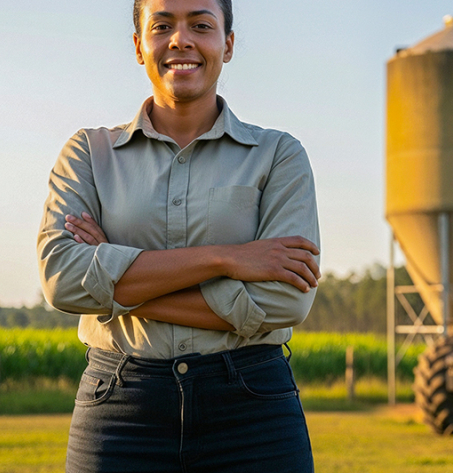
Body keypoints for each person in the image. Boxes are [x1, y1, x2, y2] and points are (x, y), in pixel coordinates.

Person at [36, 0, 320, 471]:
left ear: (227, 45)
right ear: (138, 45)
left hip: (253, 409)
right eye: (162, 25)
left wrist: (113, 281)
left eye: (201, 25)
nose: (180, 40)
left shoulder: (279, 156)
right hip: (119, 407)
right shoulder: (88, 153)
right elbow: (62, 279)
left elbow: (286, 303)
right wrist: (227, 259)